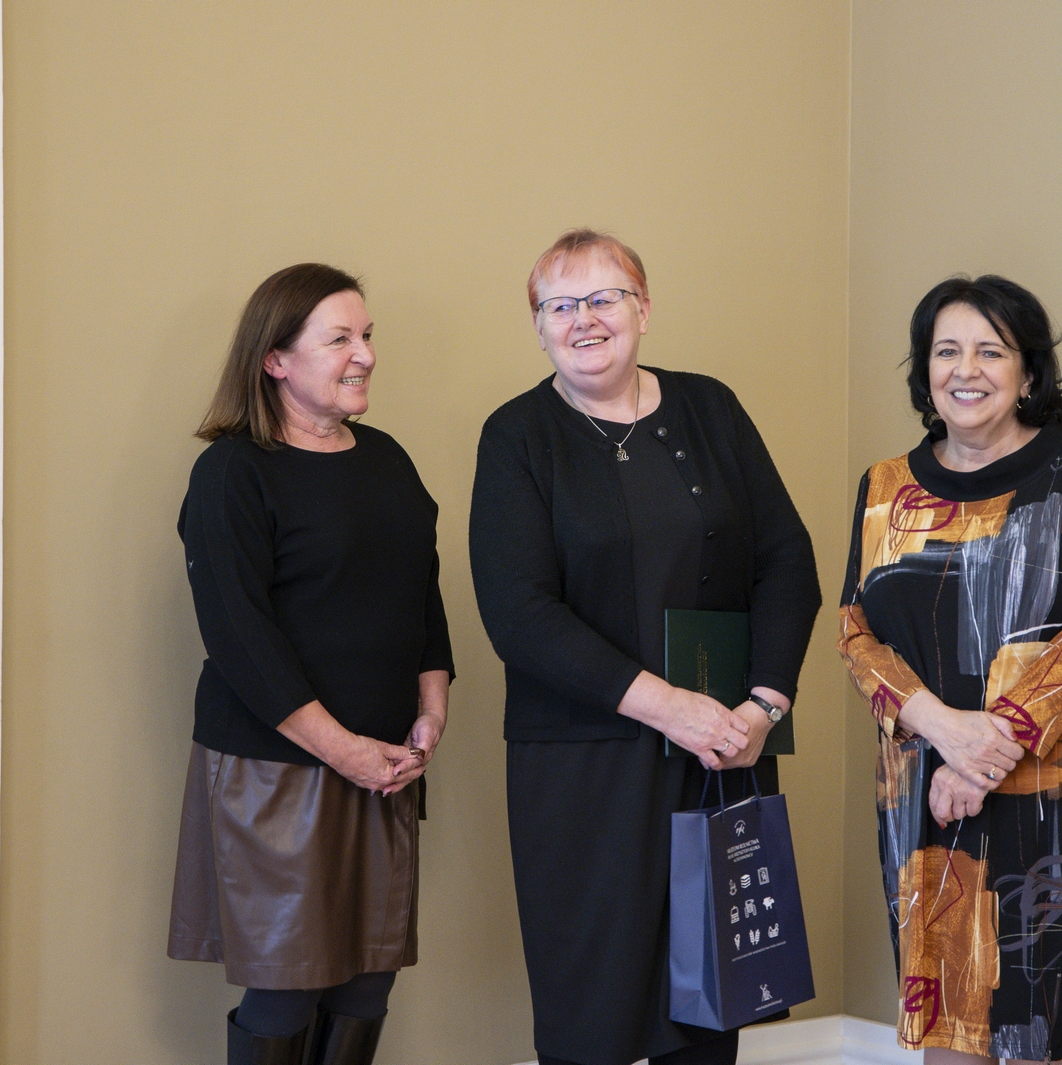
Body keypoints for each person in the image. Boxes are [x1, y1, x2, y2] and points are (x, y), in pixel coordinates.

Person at [469, 229, 823, 1065]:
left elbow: (786, 559)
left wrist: (763, 705)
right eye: (561, 305)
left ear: (644, 309)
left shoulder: (712, 407)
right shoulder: (516, 435)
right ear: (538, 326)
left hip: (723, 750)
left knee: (711, 1004)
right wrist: (670, 708)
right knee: (591, 1013)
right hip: (582, 769)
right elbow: (519, 614)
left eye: (605, 298)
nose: (584, 319)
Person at [838, 276, 1062, 1065]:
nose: (965, 369)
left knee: (1038, 1007)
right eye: (946, 351)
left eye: (990, 351)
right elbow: (856, 631)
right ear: (925, 370)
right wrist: (942, 728)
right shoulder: (883, 487)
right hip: (920, 778)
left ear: (1028, 372)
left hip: (1052, 777)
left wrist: (984, 752)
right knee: (946, 1000)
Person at [168, 263, 454, 1065]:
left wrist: (431, 710)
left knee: (368, 981)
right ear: (275, 359)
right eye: (339, 339)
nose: (364, 354)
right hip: (277, 770)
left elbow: (422, 596)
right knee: (288, 984)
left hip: (385, 765)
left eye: (367, 335)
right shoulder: (232, 472)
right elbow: (241, 640)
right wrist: (345, 750)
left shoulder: (387, 459)